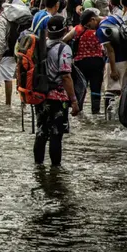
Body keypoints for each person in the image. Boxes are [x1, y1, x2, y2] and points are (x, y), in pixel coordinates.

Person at [34, 16, 81, 167]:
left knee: (41, 132)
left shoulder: (41, 46)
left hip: (41, 95)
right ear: (65, 30)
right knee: (56, 135)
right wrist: (74, 100)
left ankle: (38, 167)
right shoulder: (64, 48)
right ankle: (55, 171)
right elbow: (66, 76)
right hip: (58, 98)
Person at [65, 8, 105, 113]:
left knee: (80, 87)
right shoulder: (100, 29)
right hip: (97, 62)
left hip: (80, 62)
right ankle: (95, 111)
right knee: (96, 87)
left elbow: (65, 39)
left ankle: (78, 109)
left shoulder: (78, 29)